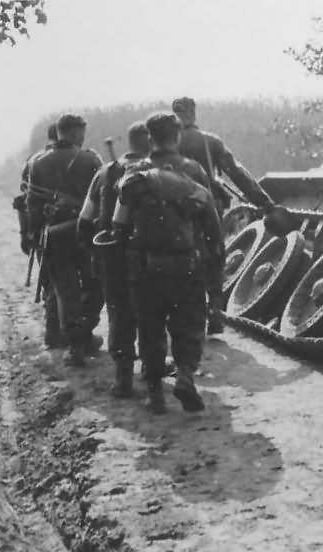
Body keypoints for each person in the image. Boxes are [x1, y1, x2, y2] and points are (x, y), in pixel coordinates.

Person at [112, 112, 223, 413]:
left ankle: (153, 392)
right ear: (176, 136)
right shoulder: (194, 171)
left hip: (146, 266)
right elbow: (212, 223)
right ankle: (185, 375)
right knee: (188, 325)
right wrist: (215, 266)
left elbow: (119, 227)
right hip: (187, 264)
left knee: (150, 327)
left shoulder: (133, 175)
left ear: (150, 138)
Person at [171, 96, 288, 333]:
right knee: (213, 257)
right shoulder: (210, 142)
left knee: (179, 260)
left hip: (174, 212)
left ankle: (183, 316)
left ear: (175, 114)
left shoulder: (164, 143)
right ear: (194, 113)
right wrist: (265, 203)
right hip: (208, 210)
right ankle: (214, 311)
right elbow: (237, 173)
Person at [77, 122, 151, 397]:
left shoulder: (105, 173)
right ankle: (151, 372)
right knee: (150, 314)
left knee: (119, 315)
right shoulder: (155, 173)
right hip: (148, 257)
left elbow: (85, 219)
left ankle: (123, 379)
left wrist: (93, 252)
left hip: (112, 257)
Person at [26, 114, 104, 366]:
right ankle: (86, 332)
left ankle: (76, 345)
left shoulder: (38, 162)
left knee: (66, 291)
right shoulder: (91, 158)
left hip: (55, 235)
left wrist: (34, 234)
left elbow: (32, 205)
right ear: (74, 133)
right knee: (95, 284)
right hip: (86, 234)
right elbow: (103, 196)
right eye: (81, 132)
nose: (83, 137)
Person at [16, 124, 63, 347]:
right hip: (69, 230)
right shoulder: (81, 157)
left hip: (42, 230)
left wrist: (26, 233)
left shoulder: (34, 160)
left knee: (50, 282)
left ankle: (54, 330)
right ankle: (61, 332)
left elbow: (23, 202)